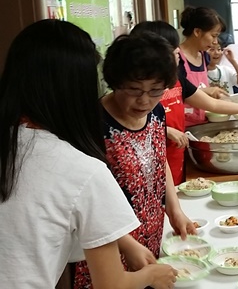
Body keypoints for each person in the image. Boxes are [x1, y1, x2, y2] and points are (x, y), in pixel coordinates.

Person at [0, 20, 176, 289]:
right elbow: (110, 284)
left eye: (154, 91)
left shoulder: (18, 140)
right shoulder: (80, 167)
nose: (144, 100)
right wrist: (152, 276)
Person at [73, 34, 197, 288]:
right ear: (115, 82)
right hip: (108, 247)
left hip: (151, 233)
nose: (144, 101)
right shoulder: (93, 124)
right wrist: (126, 244)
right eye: (134, 90)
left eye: (155, 91)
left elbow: (158, 160)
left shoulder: (157, 112)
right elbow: (87, 203)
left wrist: (174, 210)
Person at [130, 21, 238, 184]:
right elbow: (132, 124)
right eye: (172, 48)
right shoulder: (137, 92)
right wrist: (165, 130)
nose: (177, 52)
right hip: (148, 163)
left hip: (175, 154)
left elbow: (213, 105)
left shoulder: (177, 79)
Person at [179, 6, 224, 126]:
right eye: (213, 35)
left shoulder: (205, 56)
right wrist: (206, 91)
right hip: (183, 125)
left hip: (203, 121)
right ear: (197, 32)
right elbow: (176, 94)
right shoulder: (177, 59)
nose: (215, 41)